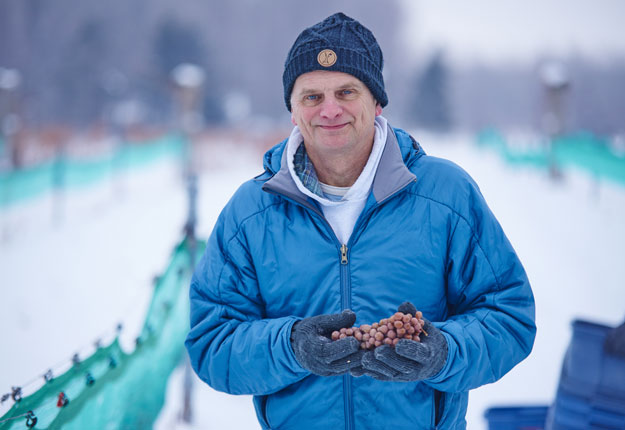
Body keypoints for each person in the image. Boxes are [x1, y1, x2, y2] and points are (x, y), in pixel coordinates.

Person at [185, 12, 536, 430]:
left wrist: (444, 352)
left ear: (376, 102)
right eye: (312, 97)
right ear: (293, 112)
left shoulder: (445, 195)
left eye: (346, 92)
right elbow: (212, 342)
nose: (329, 110)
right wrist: (291, 347)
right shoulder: (251, 213)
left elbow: (509, 316)